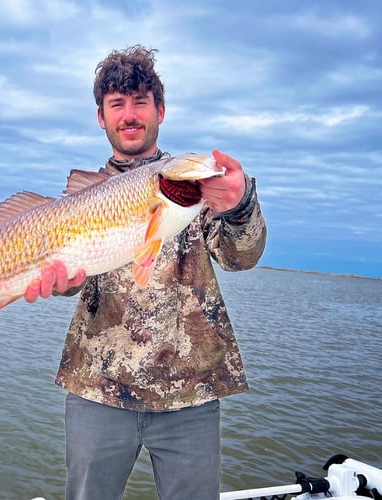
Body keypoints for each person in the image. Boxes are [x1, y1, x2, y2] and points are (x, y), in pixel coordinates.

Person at [24, 45, 267, 500]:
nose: (129, 114)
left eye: (140, 102)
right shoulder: (79, 197)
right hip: (97, 386)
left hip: (189, 394)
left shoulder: (194, 183)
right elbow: (67, 275)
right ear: (101, 117)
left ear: (160, 110)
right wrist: (60, 282)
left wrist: (238, 206)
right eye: (117, 104)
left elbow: (241, 256)